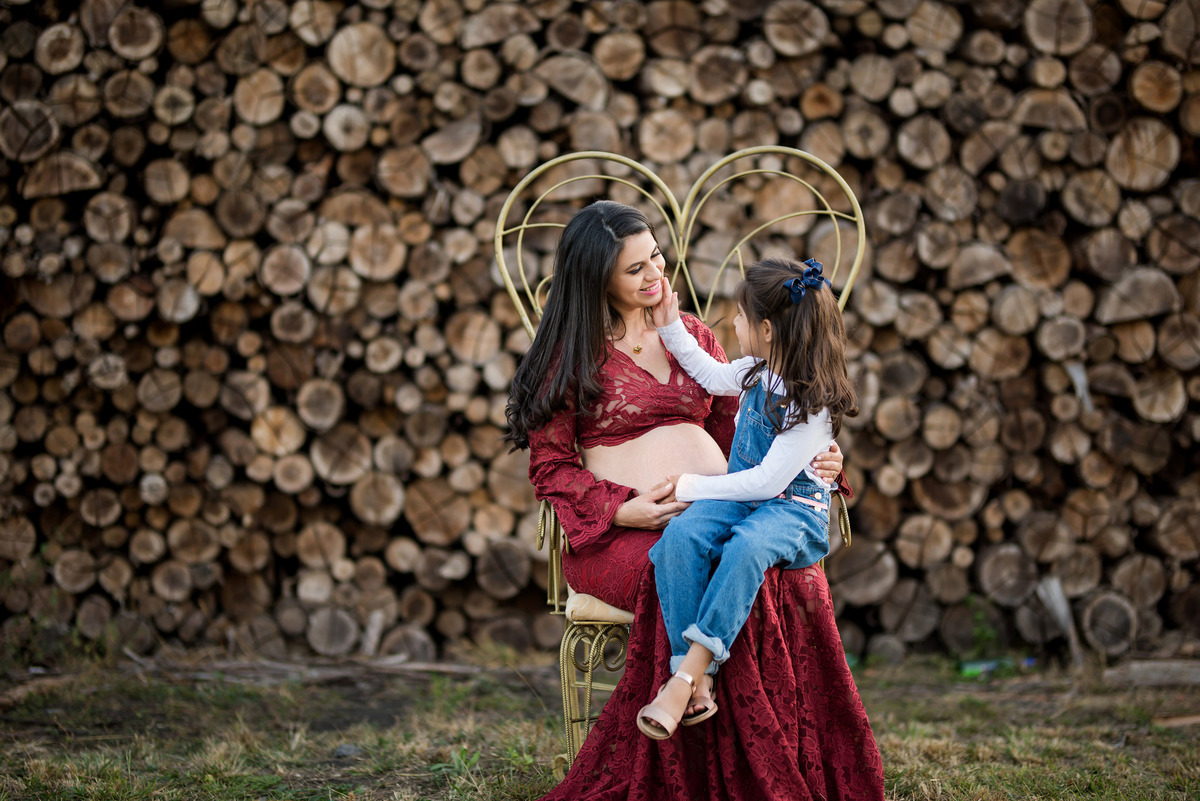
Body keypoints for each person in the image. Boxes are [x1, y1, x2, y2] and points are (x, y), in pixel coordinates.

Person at [505, 200, 884, 800]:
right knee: (684, 564)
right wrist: (620, 509)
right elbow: (550, 467)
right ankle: (704, 761)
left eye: (656, 257)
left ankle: (760, 744)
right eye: (635, 270)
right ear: (596, 278)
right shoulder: (571, 356)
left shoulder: (694, 336)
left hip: (723, 509)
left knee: (770, 571)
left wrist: (820, 460)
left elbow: (754, 430)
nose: (655, 275)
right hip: (618, 532)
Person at [636, 257, 859, 740]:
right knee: (681, 537)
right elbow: (710, 374)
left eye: (740, 316)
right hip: (744, 497)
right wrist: (671, 326)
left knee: (747, 547)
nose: (733, 324)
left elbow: (766, 483)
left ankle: (684, 677)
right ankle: (696, 681)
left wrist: (689, 485)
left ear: (767, 329)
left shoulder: (811, 405)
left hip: (793, 510)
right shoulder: (756, 371)